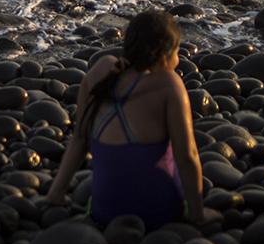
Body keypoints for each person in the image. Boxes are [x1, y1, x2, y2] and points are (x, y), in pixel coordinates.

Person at [47, 11, 206, 228]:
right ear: (164, 56)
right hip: (160, 213)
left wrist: (56, 194)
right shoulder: (168, 85)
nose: (178, 61)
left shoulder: (100, 71)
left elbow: (79, 140)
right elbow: (187, 156)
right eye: (177, 53)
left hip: (103, 212)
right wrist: (197, 215)